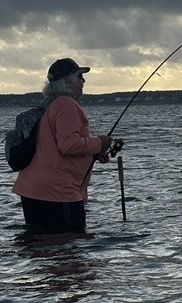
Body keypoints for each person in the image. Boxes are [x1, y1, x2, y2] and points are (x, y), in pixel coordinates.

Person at [13, 58, 112, 233]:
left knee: (41, 250)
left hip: (32, 190)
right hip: (58, 192)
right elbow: (69, 145)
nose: (83, 81)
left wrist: (93, 154)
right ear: (67, 81)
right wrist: (100, 143)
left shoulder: (49, 105)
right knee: (70, 249)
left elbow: (51, 147)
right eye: (80, 76)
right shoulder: (66, 104)